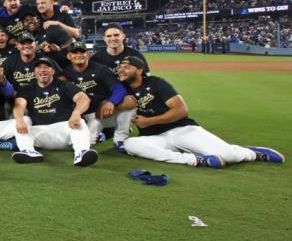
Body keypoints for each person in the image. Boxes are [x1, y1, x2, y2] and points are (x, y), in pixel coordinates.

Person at [118, 56, 284, 168]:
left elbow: (181, 110)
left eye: (127, 67)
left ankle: (250, 153)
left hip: (182, 130)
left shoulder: (156, 83)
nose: (121, 70)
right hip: (157, 138)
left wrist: (149, 121)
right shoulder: (122, 90)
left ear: (139, 70)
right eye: (120, 67)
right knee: (131, 144)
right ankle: (193, 159)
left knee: (229, 156)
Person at [9, 57, 99, 166]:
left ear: (53, 71)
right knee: (22, 118)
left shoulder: (64, 85)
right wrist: (19, 119)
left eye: (46, 67)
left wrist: (77, 113)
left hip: (64, 132)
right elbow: (19, 105)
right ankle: (28, 151)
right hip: (40, 134)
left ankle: (82, 153)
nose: (43, 70)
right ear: (34, 72)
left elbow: (83, 98)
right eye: (39, 67)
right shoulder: (28, 88)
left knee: (80, 121)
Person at [62, 42, 132, 151]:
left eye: (82, 52)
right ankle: (104, 133)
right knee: (79, 144)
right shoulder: (65, 73)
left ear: (88, 54)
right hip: (81, 114)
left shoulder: (101, 70)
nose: (79, 55)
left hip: (101, 112)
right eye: (75, 52)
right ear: (69, 56)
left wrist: (111, 101)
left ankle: (121, 139)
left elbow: (119, 88)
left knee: (129, 103)